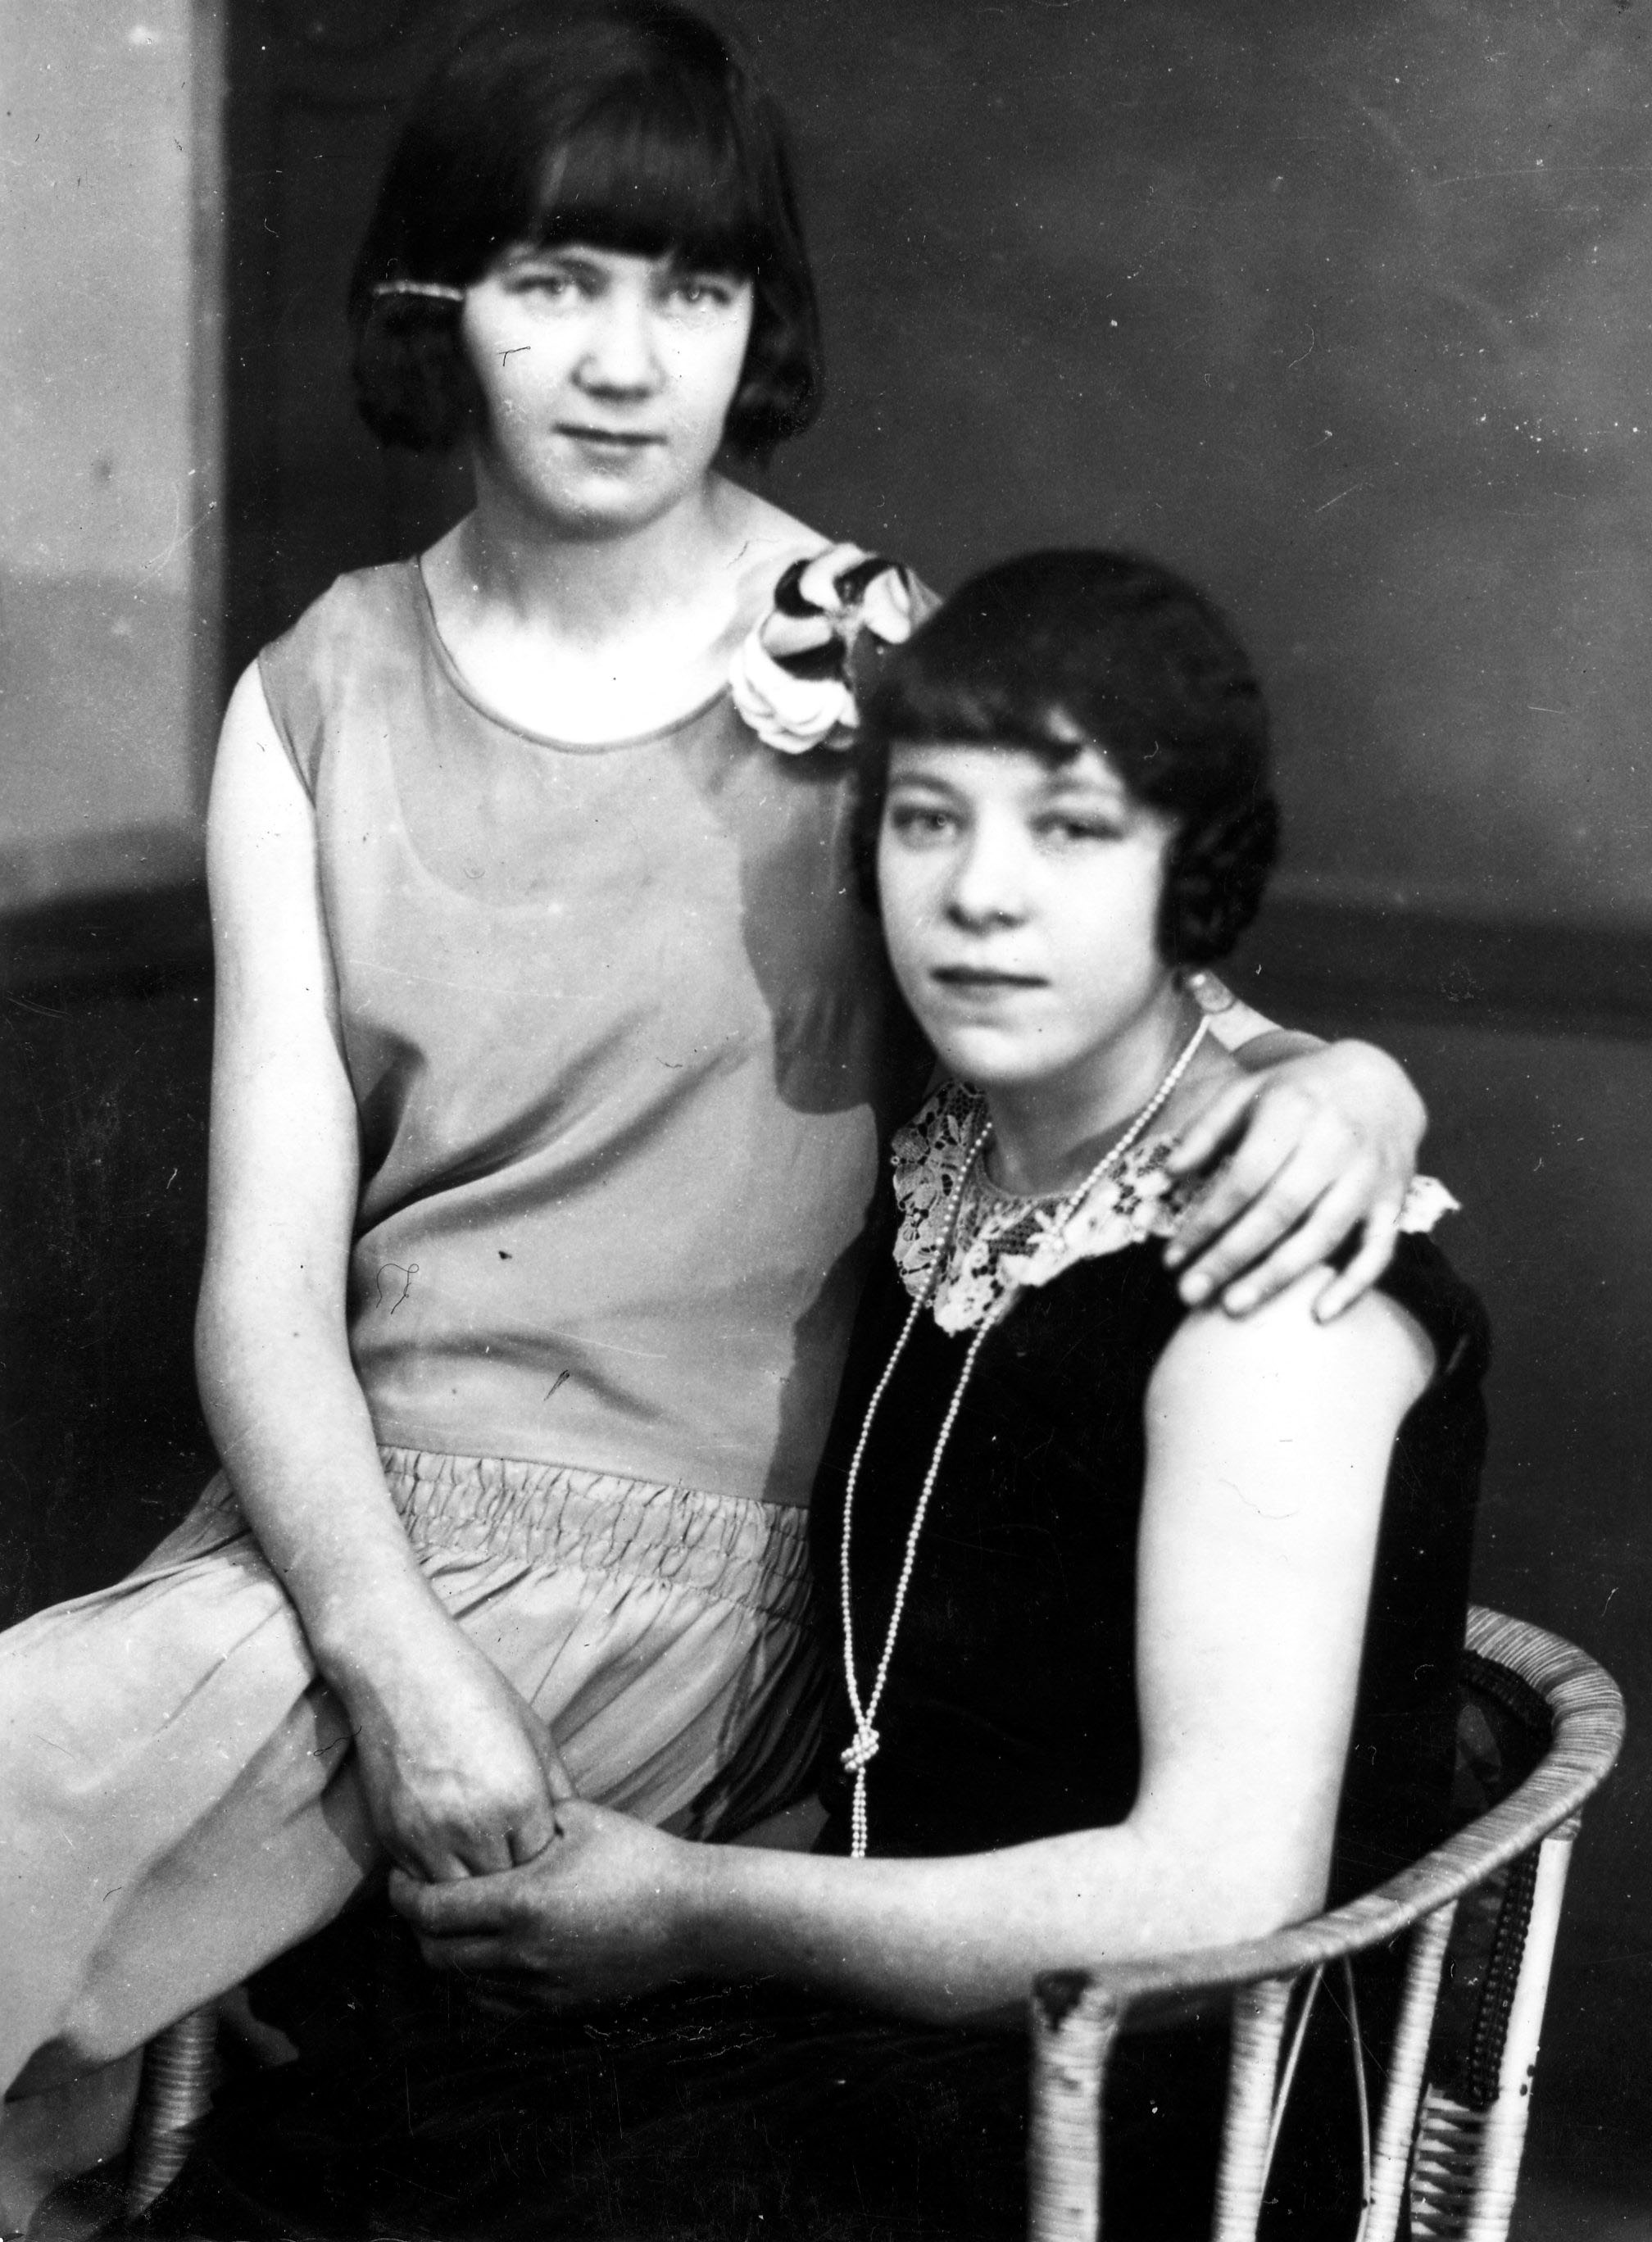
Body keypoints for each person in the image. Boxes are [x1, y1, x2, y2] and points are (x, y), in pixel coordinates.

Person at [0, 7, 1428, 2231]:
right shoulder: (313, 693)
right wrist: (396, 1661)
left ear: (761, 323)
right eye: (552, 280)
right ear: (437, 304)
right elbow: (265, 1297)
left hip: (683, 1605)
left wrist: (1358, 1075)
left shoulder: (866, 659)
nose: (619, 359)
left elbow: (1130, 986)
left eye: (692, 288)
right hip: (336, 1574)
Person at [344, 552, 1484, 2242]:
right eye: (929, 821)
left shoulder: (1271, 1262)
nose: (981, 897)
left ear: (1196, 876)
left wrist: (688, 1905)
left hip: (1145, 2113)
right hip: (893, 2017)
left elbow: (1212, 1899)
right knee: (350, 2123)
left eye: (1073, 831)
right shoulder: (959, 1152)